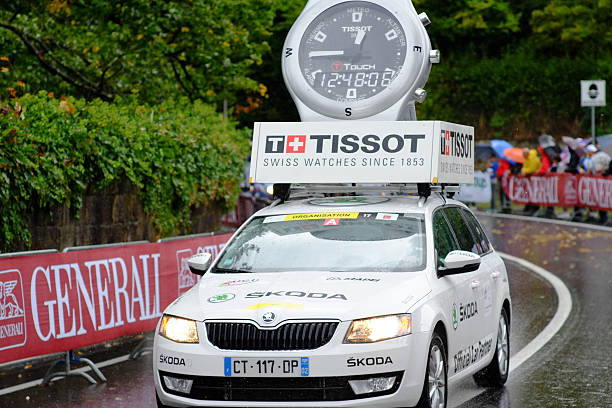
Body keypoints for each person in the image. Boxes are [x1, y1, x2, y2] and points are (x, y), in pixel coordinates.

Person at [585, 144, 611, 225]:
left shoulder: (593, 158)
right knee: (605, 198)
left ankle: (601, 217)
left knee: (599, 198)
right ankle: (603, 217)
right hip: (606, 180)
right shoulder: (606, 155)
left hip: (598, 180)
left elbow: (590, 170)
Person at [521, 148, 542, 215]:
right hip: (530, 180)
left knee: (534, 193)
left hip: (535, 180)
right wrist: (523, 170)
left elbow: (531, 169)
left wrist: (525, 171)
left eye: (523, 155)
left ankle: (534, 208)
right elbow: (524, 166)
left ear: (526, 154)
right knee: (528, 193)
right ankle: (528, 207)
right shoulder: (528, 159)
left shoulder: (533, 159)